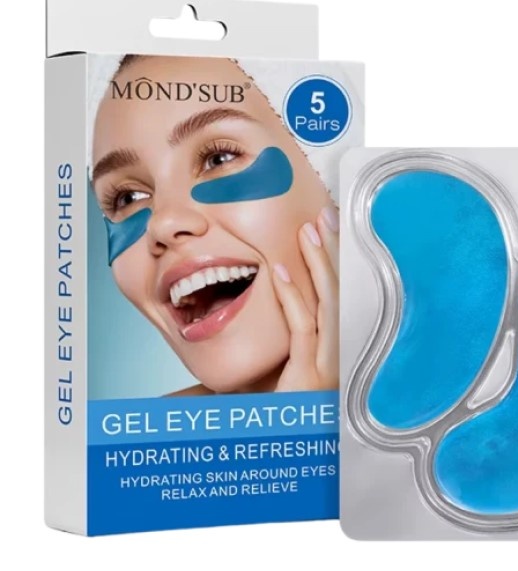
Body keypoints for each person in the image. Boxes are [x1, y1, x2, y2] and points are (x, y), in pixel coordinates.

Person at [91, 55, 338, 395]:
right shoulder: (127, 429)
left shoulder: (413, 406)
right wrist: (295, 419)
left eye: (218, 158)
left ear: (334, 182)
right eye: (127, 197)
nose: (163, 223)